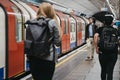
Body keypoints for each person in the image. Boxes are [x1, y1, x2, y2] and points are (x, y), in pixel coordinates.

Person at [26, 2, 61, 80]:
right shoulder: (52, 22)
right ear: (51, 11)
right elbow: (57, 43)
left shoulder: (30, 23)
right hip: (48, 59)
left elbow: (28, 43)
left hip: (33, 59)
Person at [94, 15, 119, 80]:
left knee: (103, 70)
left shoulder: (100, 29)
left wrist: (96, 48)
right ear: (112, 22)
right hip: (113, 53)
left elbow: (96, 37)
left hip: (103, 53)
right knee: (110, 71)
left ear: (104, 22)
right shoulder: (115, 30)